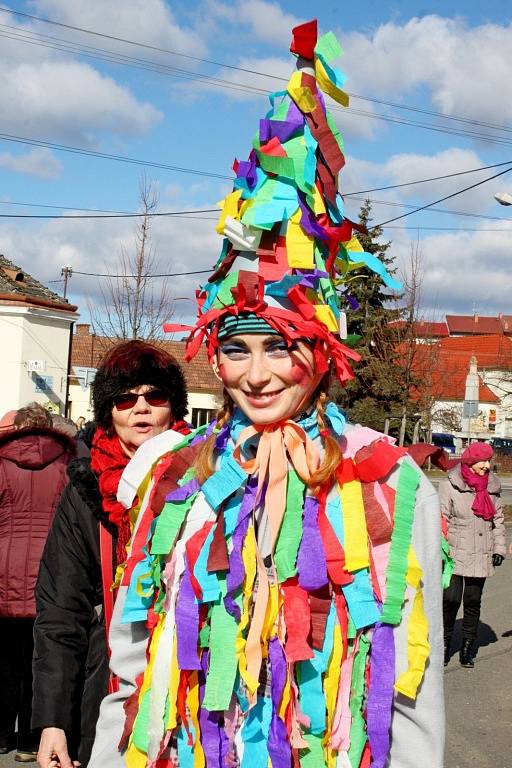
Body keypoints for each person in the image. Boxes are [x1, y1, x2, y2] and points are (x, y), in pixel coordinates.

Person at [89, 20, 444, 768]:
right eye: (235, 348)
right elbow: (133, 654)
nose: (255, 374)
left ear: (321, 350)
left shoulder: (388, 480)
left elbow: (410, 691)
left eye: (279, 346)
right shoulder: (171, 474)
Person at [32, 340, 190, 768]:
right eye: (125, 399)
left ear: (173, 407)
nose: (140, 409)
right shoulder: (85, 490)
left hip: (194, 692)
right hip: (107, 689)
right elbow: (62, 611)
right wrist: (52, 722)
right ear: (109, 412)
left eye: (154, 396)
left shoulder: (210, 475)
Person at [0, 403, 75, 761]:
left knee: (3, 660)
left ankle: (1, 736)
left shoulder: (0, 463)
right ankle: (32, 741)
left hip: (3, 571)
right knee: (39, 660)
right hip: (49, 572)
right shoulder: (65, 464)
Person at [440, 442, 506, 667]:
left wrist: (499, 548)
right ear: (470, 460)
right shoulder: (450, 484)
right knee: (450, 599)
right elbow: (442, 519)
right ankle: (445, 644)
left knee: (472, 600)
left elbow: (498, 521)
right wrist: (440, 550)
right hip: (455, 550)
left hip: (481, 550)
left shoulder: (493, 487)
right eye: (483, 461)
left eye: (489, 461)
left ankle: (468, 647)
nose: (487, 466)